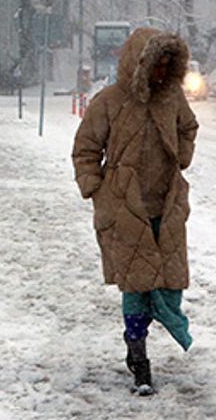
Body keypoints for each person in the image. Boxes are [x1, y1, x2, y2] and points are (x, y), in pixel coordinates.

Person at [71, 28, 199, 396]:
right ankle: (137, 353)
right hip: (123, 206)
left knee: (169, 281)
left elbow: (189, 129)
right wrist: (95, 187)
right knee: (135, 282)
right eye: (154, 65)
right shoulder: (110, 101)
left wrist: (182, 156)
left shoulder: (172, 99)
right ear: (138, 64)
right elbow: (86, 148)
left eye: (165, 65)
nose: (160, 73)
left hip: (167, 203)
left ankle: (157, 326)